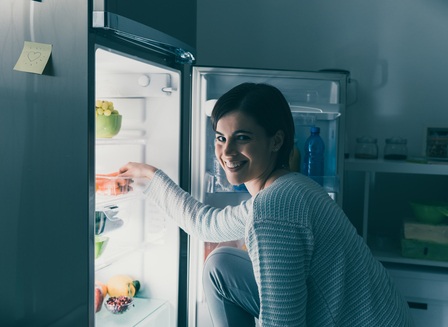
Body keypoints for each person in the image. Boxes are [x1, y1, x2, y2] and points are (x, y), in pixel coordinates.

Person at [118, 83, 414, 327]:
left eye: (242, 138)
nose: (227, 152)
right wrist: (150, 176)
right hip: (376, 315)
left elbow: (284, 324)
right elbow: (205, 223)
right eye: (221, 138)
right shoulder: (287, 186)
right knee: (220, 264)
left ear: (276, 141)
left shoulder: (274, 209)